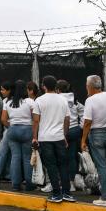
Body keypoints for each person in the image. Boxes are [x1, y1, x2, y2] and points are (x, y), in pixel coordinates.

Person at [81, 75, 106, 207]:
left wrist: (83, 140)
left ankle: (105, 197)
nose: (86, 88)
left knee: (102, 166)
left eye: (87, 85)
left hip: (97, 133)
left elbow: (87, 122)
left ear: (91, 87)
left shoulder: (90, 100)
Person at [32, 75, 75, 203]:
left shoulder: (39, 100)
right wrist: (64, 135)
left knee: (51, 165)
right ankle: (67, 192)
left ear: (43, 86)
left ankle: (56, 194)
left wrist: (35, 137)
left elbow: (35, 121)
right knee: (63, 165)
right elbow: (67, 119)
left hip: (45, 138)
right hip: (59, 137)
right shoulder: (62, 100)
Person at [3, 80, 36, 191]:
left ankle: (16, 184)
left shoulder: (8, 103)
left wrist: (11, 126)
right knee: (27, 158)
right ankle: (29, 184)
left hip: (12, 130)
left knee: (15, 157)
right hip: (27, 130)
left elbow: (3, 119)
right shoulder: (29, 102)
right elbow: (35, 119)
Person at [57, 79, 85, 192]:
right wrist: (80, 126)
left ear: (58, 89)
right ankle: (72, 183)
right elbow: (83, 112)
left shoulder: (58, 99)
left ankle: (62, 183)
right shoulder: (75, 100)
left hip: (60, 131)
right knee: (72, 157)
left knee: (60, 158)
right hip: (74, 130)